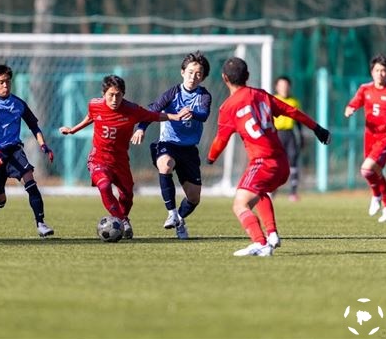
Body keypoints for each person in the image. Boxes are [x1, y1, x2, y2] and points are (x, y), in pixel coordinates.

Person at [207, 58, 330, 257]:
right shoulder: (262, 95)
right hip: (282, 164)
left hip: (262, 163)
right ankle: (272, 235)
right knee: (259, 192)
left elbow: (221, 140)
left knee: (240, 204)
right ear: (247, 76)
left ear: (224, 78)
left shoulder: (227, 108)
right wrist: (317, 128)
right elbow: (292, 111)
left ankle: (260, 242)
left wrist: (211, 158)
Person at [59, 75, 187, 239]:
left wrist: (175, 117)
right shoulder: (94, 104)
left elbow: (153, 115)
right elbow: (91, 116)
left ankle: (122, 218)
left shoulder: (132, 110)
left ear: (123, 94)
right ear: (103, 93)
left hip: (120, 162)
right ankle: (121, 221)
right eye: (111, 95)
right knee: (104, 186)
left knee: (127, 195)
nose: (114, 99)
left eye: (118, 95)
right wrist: (73, 130)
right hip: (99, 159)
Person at [130, 51, 211, 239]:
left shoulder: (204, 95)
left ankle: (180, 219)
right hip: (168, 143)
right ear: (182, 72)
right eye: (190, 72)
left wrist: (193, 112)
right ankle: (171, 213)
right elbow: (152, 110)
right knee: (165, 164)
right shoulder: (172, 93)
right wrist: (141, 128)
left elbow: (205, 115)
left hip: (189, 149)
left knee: (194, 198)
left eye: (198, 74)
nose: (193, 77)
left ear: (203, 77)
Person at [0, 64, 56, 237]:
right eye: (1, 82)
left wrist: (43, 145)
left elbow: (34, 126)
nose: (5, 85)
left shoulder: (18, 103)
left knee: (30, 182)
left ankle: (41, 223)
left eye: (8, 82)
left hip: (14, 151)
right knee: (0, 201)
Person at [344, 54, 386, 223]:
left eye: (383, 71)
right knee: (376, 171)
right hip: (369, 136)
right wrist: (349, 110)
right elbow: (352, 104)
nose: (380, 74)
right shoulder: (364, 89)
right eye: (377, 70)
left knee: (366, 169)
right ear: (371, 72)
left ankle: (376, 196)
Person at [272, 76, 305, 201]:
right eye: (281, 85)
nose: (284, 88)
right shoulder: (273, 100)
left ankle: (293, 193)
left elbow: (299, 121)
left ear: (289, 87)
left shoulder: (294, 101)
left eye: (286, 85)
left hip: (290, 135)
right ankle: (272, 190)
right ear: (277, 87)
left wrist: (301, 137)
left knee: (293, 161)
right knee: (276, 164)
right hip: (276, 134)